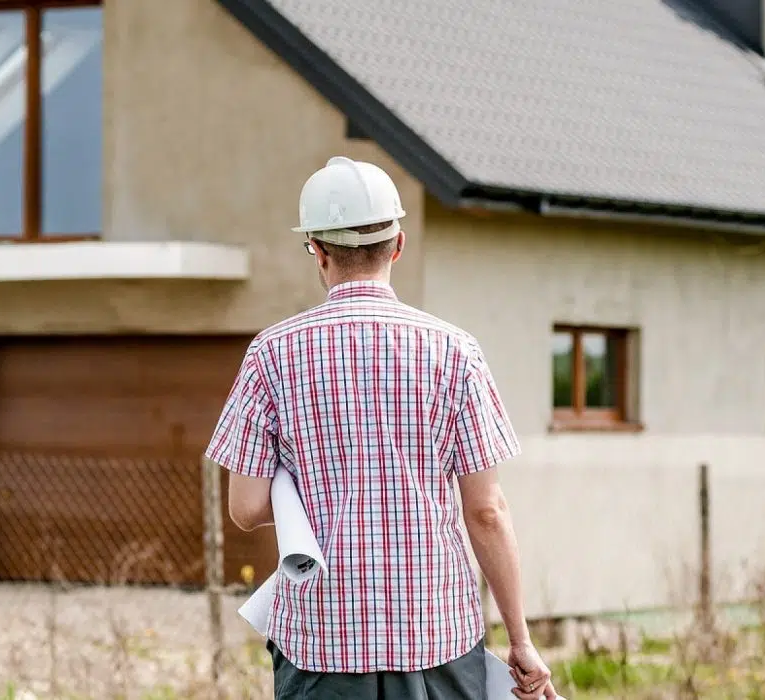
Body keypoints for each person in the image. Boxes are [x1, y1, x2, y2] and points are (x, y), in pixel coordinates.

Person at [205, 156, 558, 699]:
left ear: (318, 252)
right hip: (437, 635)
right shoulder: (454, 352)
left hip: (321, 642)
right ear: (397, 245)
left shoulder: (271, 354)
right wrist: (520, 640)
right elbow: (486, 511)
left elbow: (246, 508)